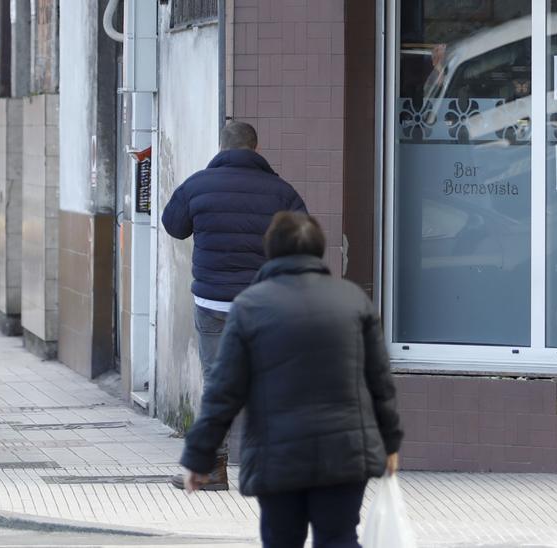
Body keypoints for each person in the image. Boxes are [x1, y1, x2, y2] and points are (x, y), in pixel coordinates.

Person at [180, 212, 404, 548]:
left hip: (277, 456)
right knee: (339, 537)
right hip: (343, 455)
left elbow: (223, 391)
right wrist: (391, 443)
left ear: (271, 251)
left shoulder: (249, 307)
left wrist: (200, 457)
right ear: (318, 250)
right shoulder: (353, 300)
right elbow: (380, 382)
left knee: (282, 541)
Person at [162, 121, 307, 491]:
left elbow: (174, 226)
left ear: (222, 148)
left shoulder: (197, 185)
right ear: (255, 149)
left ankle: (212, 470)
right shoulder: (281, 192)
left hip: (212, 303)